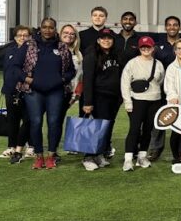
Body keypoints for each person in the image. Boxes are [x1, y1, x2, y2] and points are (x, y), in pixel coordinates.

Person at [12, 17, 75, 170]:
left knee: (54, 122)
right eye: (45, 27)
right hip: (34, 90)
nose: (47, 30)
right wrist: (28, 80)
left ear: (55, 29)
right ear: (40, 28)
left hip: (56, 91)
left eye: (51, 27)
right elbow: (15, 67)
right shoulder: (29, 45)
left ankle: (51, 156)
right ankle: (39, 156)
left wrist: (61, 80)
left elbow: (71, 71)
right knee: (36, 122)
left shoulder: (62, 47)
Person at [120, 36, 165, 171]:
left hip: (154, 101)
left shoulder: (158, 64)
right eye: (143, 47)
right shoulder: (132, 63)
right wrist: (128, 101)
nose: (146, 49)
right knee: (134, 129)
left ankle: (142, 156)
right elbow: (125, 83)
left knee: (148, 130)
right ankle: (128, 159)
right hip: (137, 100)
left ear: (153, 48)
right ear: (139, 48)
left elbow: (160, 80)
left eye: (148, 47)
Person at [80, 28, 123, 170]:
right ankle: (88, 156)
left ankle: (100, 154)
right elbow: (87, 80)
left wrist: (120, 97)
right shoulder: (91, 55)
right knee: (96, 128)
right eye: (103, 38)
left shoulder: (116, 55)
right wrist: (88, 102)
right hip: (99, 97)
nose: (106, 40)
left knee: (107, 128)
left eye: (109, 38)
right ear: (98, 40)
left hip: (114, 97)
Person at [147, 15, 181, 161]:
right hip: (160, 89)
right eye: (169, 24)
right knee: (159, 118)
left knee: (180, 119)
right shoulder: (157, 46)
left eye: (175, 24)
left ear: (179, 27)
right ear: (165, 27)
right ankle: (155, 149)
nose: (172, 27)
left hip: (179, 89)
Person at [0, 25, 31, 163]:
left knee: (29, 120)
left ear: (30, 37)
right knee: (12, 120)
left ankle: (31, 146)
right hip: (11, 91)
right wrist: (6, 88)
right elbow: (6, 71)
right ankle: (12, 147)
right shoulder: (9, 51)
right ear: (15, 37)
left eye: (25, 35)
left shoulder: (33, 52)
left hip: (28, 91)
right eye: (20, 35)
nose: (22, 38)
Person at [59, 24, 83, 145]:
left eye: (72, 34)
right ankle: (31, 145)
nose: (69, 35)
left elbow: (79, 77)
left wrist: (75, 95)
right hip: (50, 90)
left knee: (57, 120)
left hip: (67, 93)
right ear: (60, 34)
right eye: (66, 32)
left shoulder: (78, 55)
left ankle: (53, 148)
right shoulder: (53, 50)